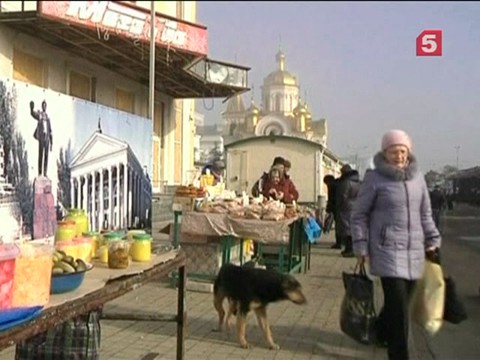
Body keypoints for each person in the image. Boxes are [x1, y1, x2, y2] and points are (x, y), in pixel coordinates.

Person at [351, 129, 441, 360]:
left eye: (402, 151)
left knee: (402, 303)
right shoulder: (374, 178)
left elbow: (425, 213)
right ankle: (400, 354)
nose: (399, 156)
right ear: (385, 152)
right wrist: (361, 246)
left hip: (414, 251)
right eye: (393, 152)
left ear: (408, 152)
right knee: (399, 308)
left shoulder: (417, 178)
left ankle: (379, 330)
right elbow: (359, 215)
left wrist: (432, 240)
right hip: (386, 250)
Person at [334, 164, 360, 257]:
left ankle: (350, 250)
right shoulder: (357, 182)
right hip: (355, 207)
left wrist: (338, 205)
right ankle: (350, 249)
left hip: (346, 209)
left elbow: (342, 196)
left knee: (347, 230)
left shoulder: (346, 182)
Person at [30, 100, 53, 177]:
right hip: (41, 138)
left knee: (46, 156)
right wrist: (31, 109)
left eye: (45, 105)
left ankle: (45, 173)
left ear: (46, 107)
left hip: (47, 139)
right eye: (43, 105)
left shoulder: (48, 118)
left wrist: (51, 143)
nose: (44, 107)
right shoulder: (39, 115)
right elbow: (33, 114)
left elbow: (50, 131)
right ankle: (40, 172)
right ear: (41, 106)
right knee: (41, 155)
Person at [323, 174, 341, 248]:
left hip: (336, 208)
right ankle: (341, 242)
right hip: (340, 208)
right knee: (341, 226)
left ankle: (339, 243)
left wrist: (329, 208)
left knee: (338, 226)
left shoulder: (332, 186)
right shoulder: (338, 184)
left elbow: (331, 199)